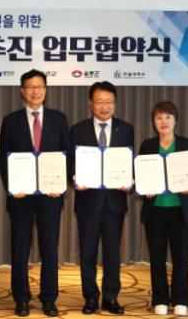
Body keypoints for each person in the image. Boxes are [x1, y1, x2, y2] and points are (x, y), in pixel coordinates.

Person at [0, 69, 70, 318]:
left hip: (50, 196)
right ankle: (21, 298)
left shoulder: (59, 119)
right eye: (30, 87)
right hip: (21, 197)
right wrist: (12, 187)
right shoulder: (10, 121)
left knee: (50, 249)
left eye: (39, 86)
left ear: (46, 90)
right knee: (20, 249)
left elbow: (66, 155)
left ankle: (49, 298)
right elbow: (4, 158)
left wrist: (60, 184)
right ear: (22, 91)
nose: (35, 91)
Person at [69, 81, 133, 315]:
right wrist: (74, 178)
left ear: (114, 104)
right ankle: (90, 297)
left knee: (112, 253)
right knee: (87, 252)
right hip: (88, 201)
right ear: (90, 104)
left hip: (115, 201)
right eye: (99, 102)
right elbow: (70, 163)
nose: (104, 107)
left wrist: (130, 179)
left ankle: (110, 297)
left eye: (108, 102)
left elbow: (129, 161)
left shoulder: (126, 129)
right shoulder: (78, 130)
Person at [138, 101, 188, 317]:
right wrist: (144, 187)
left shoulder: (186, 144)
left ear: (175, 121)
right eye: (158, 117)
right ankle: (160, 299)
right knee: (156, 258)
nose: (163, 121)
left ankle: (181, 298)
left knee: (180, 257)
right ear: (153, 122)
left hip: (180, 210)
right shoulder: (147, 145)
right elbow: (140, 173)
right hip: (155, 210)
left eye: (167, 117)